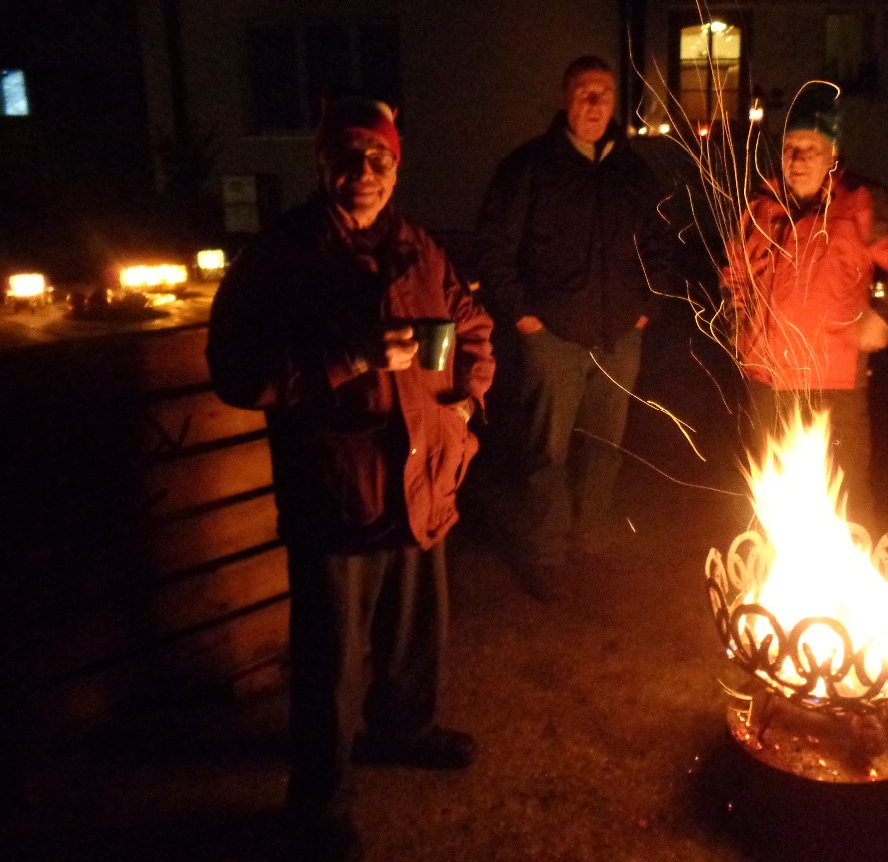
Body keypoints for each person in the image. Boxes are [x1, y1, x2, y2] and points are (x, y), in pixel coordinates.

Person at [206, 97, 494, 862]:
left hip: (422, 472)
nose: (364, 173)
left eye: (380, 159)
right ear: (321, 163)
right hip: (336, 483)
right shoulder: (283, 255)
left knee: (414, 625)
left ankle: (404, 729)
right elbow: (237, 370)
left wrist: (467, 403)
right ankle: (320, 799)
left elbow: (471, 326)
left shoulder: (418, 246)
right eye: (349, 157)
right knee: (330, 652)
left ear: (397, 167)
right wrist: (351, 357)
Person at [473, 55, 670, 602]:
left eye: (604, 93)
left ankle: (592, 541)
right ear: (565, 99)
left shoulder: (633, 173)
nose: (595, 103)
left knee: (605, 447)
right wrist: (525, 317)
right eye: (584, 92)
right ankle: (548, 552)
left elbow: (659, 243)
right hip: (553, 339)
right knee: (548, 451)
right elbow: (493, 248)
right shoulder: (529, 169)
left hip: (619, 337)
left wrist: (646, 308)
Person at [722, 87, 888, 530]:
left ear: (832, 154)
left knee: (846, 500)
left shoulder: (858, 205)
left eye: (811, 149)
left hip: (833, 385)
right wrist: (737, 324)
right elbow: (735, 274)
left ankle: (852, 571)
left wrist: (885, 313)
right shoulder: (760, 207)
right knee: (772, 503)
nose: (798, 159)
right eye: (790, 147)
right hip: (767, 381)